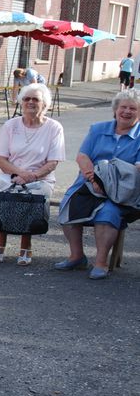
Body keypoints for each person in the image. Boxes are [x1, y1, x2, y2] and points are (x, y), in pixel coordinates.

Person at [55, 89, 140, 279]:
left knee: (108, 213)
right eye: (123, 107)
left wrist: (111, 181)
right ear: (115, 110)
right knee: (68, 205)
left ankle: (101, 262)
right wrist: (94, 179)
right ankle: (77, 256)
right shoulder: (98, 129)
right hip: (90, 182)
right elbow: (82, 156)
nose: (127, 111)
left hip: (123, 190)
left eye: (133, 108)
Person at [0, 83, 65, 266]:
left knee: (30, 198)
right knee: (5, 196)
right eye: (26, 99)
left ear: (45, 104)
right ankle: (0, 244)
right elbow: (1, 160)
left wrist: (31, 176)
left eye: (35, 99)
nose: (30, 102)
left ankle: (26, 245)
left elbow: (53, 162)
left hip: (41, 178)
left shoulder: (54, 128)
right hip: (12, 175)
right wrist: (21, 174)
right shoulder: (10, 125)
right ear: (21, 102)